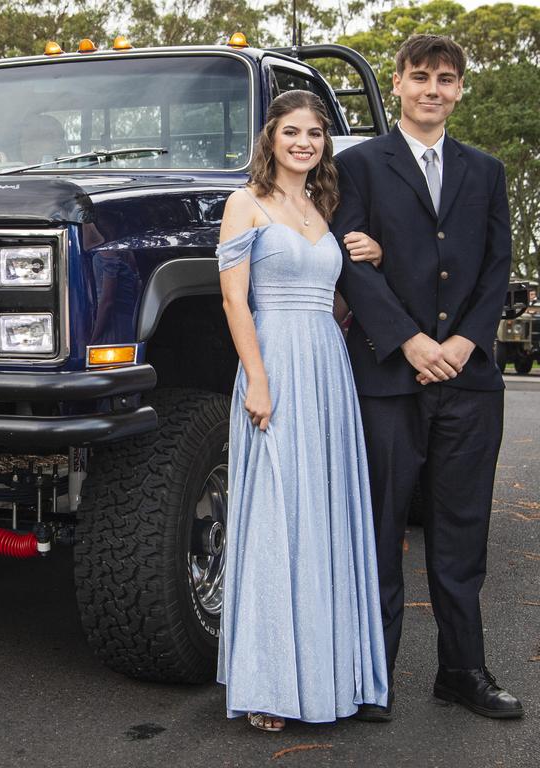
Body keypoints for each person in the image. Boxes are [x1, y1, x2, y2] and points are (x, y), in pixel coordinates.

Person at [332, 34, 523, 721]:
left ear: (460, 89)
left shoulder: (487, 171)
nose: (433, 89)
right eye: (421, 77)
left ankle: (463, 671)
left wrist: (465, 343)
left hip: (469, 386)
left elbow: (497, 268)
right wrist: (410, 341)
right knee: (381, 531)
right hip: (388, 380)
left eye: (446, 79)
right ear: (399, 83)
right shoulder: (358, 166)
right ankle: (371, 676)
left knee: (460, 535)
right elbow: (348, 259)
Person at [216, 89, 390, 731]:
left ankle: (327, 671)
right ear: (271, 138)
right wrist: (257, 380)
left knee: (324, 512)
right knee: (276, 514)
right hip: (277, 365)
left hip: (327, 364)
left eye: (315, 133)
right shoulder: (246, 203)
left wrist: (370, 254)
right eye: (292, 131)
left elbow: (336, 295)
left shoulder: (323, 207)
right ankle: (269, 683)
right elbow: (236, 303)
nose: (304, 143)